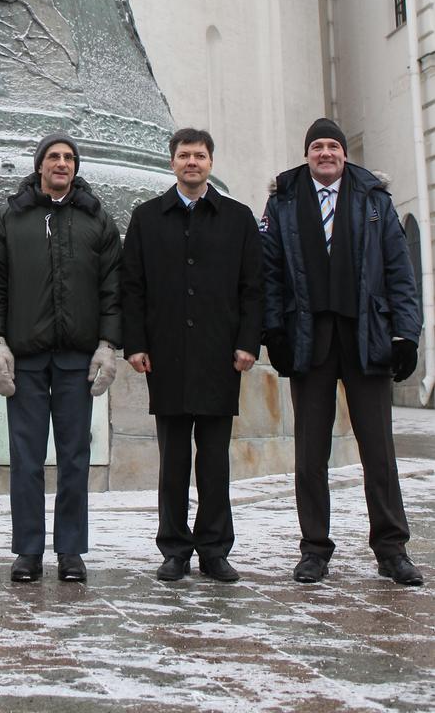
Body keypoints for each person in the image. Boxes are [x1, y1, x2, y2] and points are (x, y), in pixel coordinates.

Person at [261, 118, 423, 586]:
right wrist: (275, 332)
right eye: (318, 146)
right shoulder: (284, 199)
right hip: (309, 339)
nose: (326, 153)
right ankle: (314, 548)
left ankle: (392, 549)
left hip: (366, 336)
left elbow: (399, 269)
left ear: (345, 154)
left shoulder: (374, 198)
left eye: (333, 146)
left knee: (379, 449)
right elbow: (270, 271)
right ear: (307, 154)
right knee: (310, 451)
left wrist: (406, 334)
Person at [0, 133, 121, 583]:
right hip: (27, 359)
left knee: (75, 455)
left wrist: (107, 345)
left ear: (76, 168)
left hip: (78, 358)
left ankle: (71, 550)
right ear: (39, 166)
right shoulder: (9, 219)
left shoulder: (96, 221)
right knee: (27, 456)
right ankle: (28, 551)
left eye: (69, 158)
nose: (62, 164)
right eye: (54, 157)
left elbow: (112, 288)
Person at [121, 128, 263, 584]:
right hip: (166, 357)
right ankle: (175, 549)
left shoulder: (237, 219)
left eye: (200, 156)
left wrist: (247, 343)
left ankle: (215, 549)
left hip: (221, 356)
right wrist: (136, 344)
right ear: (172, 163)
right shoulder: (146, 218)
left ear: (210, 163)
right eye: (184, 155)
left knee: (215, 461)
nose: (192, 163)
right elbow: (133, 288)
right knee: (175, 461)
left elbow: (252, 288)